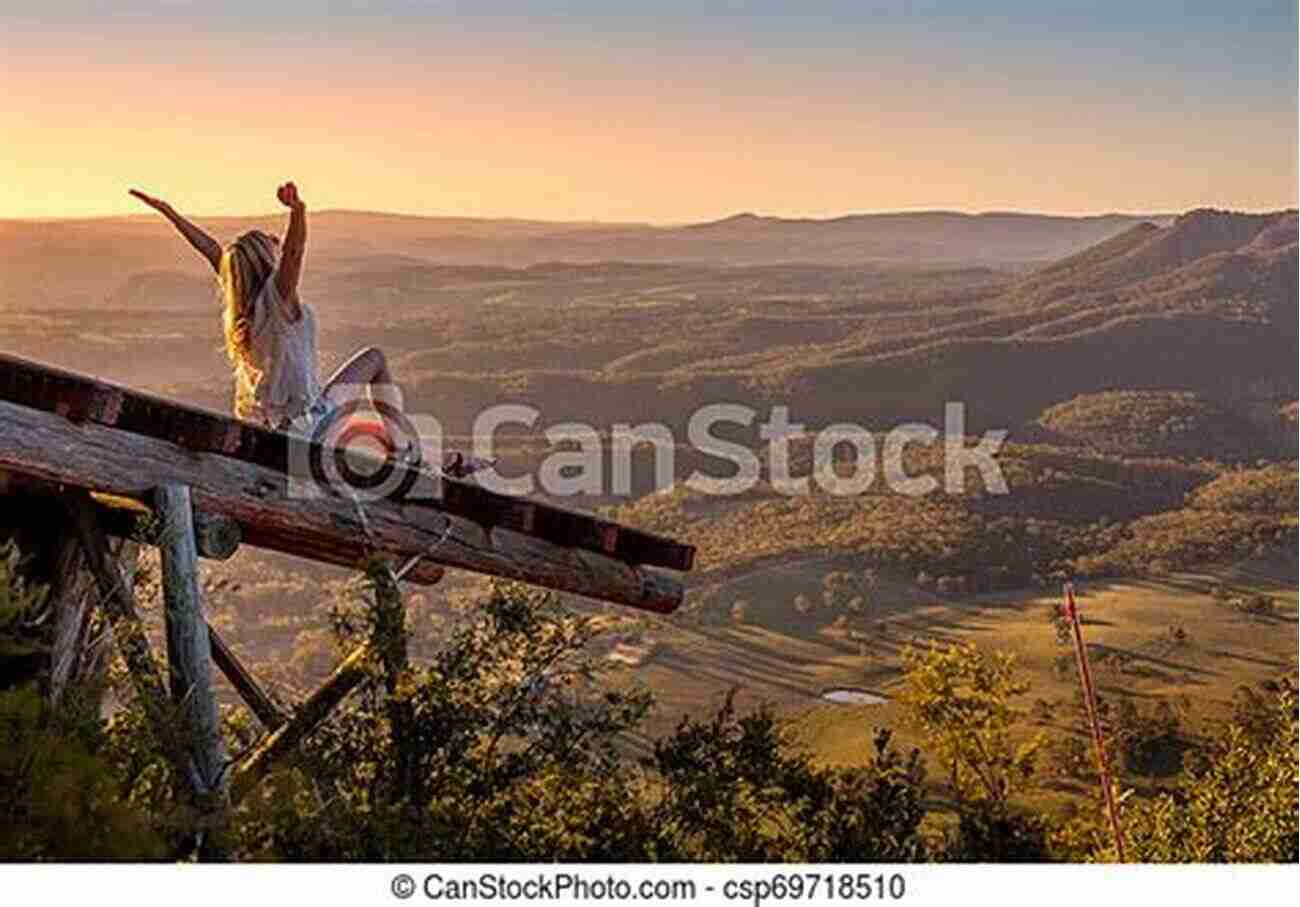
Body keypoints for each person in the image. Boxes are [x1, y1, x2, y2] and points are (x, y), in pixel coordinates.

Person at [129, 183, 421, 464]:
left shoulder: (244, 302)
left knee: (355, 381)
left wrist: (170, 214)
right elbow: (295, 252)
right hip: (309, 428)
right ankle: (402, 450)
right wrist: (297, 210)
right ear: (263, 259)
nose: (274, 239)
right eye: (268, 240)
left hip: (279, 426)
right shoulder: (277, 298)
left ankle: (401, 447)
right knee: (375, 359)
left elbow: (211, 250)